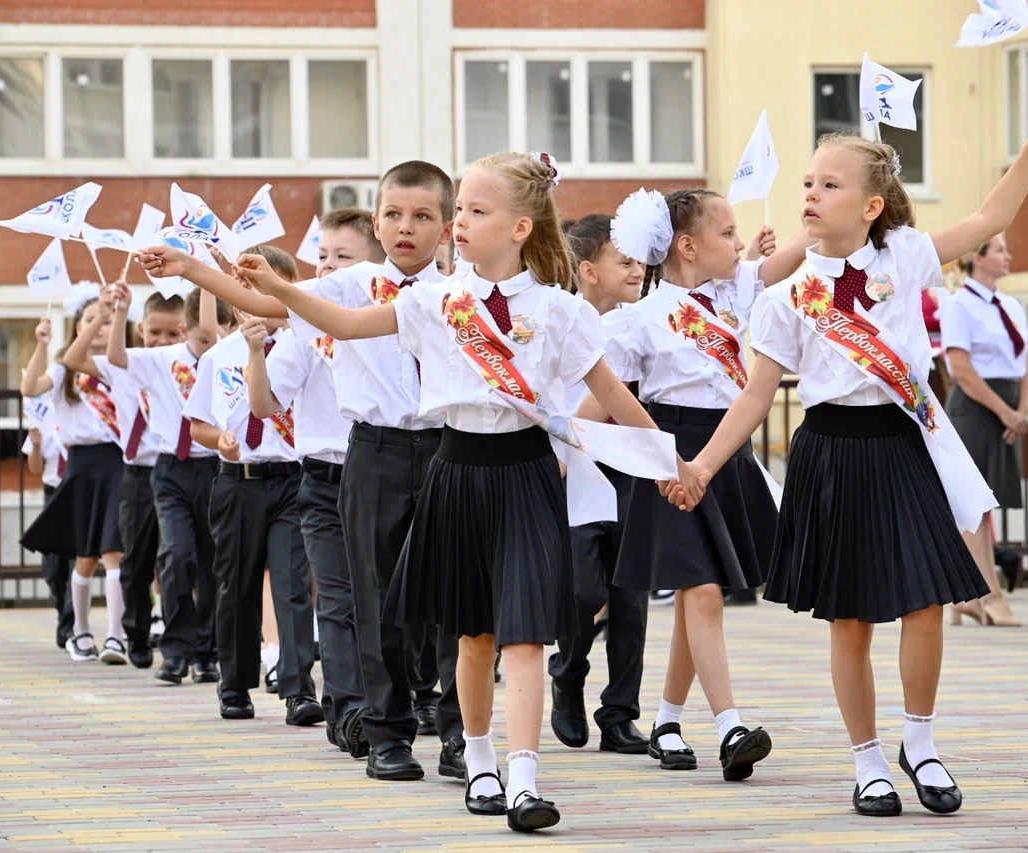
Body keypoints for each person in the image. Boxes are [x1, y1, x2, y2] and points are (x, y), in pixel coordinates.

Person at [224, 151, 699, 834]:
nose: (460, 223)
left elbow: (614, 396)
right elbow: (347, 323)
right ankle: (479, 759)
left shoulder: (561, 312)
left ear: (519, 226)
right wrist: (279, 285)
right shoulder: (432, 299)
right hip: (457, 470)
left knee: (528, 633)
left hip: (529, 474)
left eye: (475, 210)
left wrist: (671, 463)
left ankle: (525, 777)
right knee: (474, 634)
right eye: (464, 210)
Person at [670, 84, 1028, 817]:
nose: (812, 194)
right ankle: (868, 760)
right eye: (807, 183)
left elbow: (989, 217)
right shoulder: (784, 296)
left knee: (926, 601)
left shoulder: (908, 255)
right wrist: (701, 465)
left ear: (872, 205)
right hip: (832, 454)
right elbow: (757, 396)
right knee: (850, 617)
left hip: (902, 446)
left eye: (830, 184)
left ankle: (920, 741)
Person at [139, 162, 466, 782]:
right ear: (377, 221)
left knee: (449, 599)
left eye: (423, 216)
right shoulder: (351, 286)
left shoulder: (464, 291)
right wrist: (192, 269)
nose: (406, 227)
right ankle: (388, 733)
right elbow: (268, 303)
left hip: (449, 447)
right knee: (371, 597)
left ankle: (458, 735)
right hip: (375, 451)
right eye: (394, 214)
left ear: (447, 227)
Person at [592, 190, 806, 783]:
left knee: (698, 595)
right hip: (672, 457)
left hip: (726, 453)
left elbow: (781, 262)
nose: (738, 244)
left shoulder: (734, 294)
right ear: (687, 246)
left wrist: (816, 224)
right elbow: (601, 401)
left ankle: (665, 719)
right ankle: (731, 725)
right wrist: (566, 447)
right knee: (704, 591)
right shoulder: (637, 318)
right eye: (727, 233)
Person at [243, 208, 377, 750]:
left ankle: (405, 700)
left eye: (343, 257)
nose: (327, 267)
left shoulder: (400, 313)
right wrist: (257, 351)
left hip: (386, 472)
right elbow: (265, 403)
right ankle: (348, 711)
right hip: (323, 479)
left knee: (388, 598)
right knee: (338, 598)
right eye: (322, 256)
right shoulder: (304, 326)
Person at [182, 244, 321, 726]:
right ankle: (235, 684)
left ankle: (298, 687)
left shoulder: (308, 347)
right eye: (250, 287)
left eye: (272, 287)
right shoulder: (218, 356)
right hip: (237, 482)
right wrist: (219, 438)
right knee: (235, 585)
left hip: (291, 480)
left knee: (292, 585)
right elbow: (197, 424)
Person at [547, 213, 651, 755]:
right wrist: (565, 448)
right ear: (588, 270)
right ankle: (567, 675)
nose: (637, 270)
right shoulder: (559, 318)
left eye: (639, 260)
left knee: (629, 597)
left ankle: (619, 713)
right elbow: (589, 393)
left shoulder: (637, 322)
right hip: (574, 470)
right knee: (583, 590)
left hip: (628, 468)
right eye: (624, 261)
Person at [107, 287, 232, 685]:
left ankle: (207, 652)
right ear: (184, 331)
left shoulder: (227, 358)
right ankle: (176, 650)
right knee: (177, 556)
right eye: (199, 337)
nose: (207, 345)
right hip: (172, 468)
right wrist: (121, 313)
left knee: (214, 562)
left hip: (216, 467)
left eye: (215, 336)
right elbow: (116, 358)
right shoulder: (164, 359)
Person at [64, 288, 187, 669]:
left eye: (172, 335)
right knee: (135, 559)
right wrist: (106, 314)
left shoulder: (187, 365)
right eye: (154, 332)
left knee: (179, 558)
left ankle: (180, 634)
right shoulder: (126, 363)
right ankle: (135, 631)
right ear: (140, 328)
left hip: (177, 467)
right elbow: (74, 358)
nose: (162, 341)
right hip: (137, 472)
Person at [20, 288, 132, 664]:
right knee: (85, 556)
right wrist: (41, 345)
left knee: (114, 550)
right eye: (89, 320)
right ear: (77, 327)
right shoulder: (65, 370)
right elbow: (29, 388)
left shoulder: (122, 364)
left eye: (105, 319)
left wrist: (108, 314)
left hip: (118, 463)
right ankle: (81, 632)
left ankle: (117, 637)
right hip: (81, 466)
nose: (98, 326)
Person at [939, 236, 1028, 627]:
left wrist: (1021, 410)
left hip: (1007, 405)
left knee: (988, 503)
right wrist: (1004, 411)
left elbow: (1024, 364)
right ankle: (988, 595)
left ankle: (966, 595)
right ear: (976, 258)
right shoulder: (958, 304)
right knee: (974, 503)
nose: (1008, 256)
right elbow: (961, 369)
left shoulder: (1012, 305)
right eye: (999, 250)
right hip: (977, 408)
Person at [22, 395, 73, 649]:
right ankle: (63, 610)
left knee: (77, 558)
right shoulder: (43, 415)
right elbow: (35, 468)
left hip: (78, 491)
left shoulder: (86, 408)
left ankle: (71, 624)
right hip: (53, 492)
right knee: (53, 567)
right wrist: (36, 446)